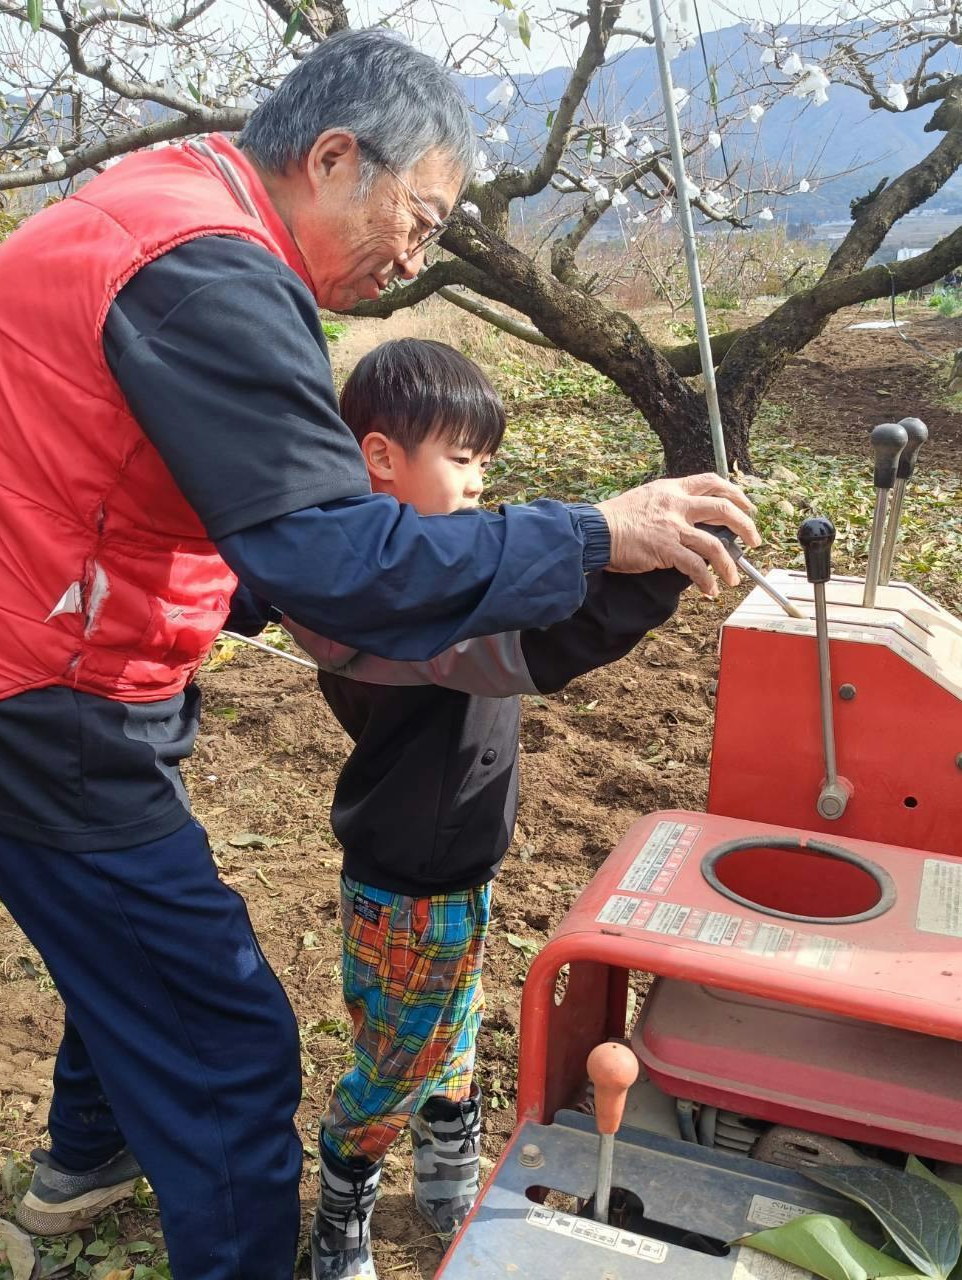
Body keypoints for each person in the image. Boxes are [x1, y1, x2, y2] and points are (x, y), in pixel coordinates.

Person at [0, 28, 758, 1280]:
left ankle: (85, 1159)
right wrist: (591, 534)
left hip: (11, 663)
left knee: (122, 946)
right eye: (421, 216)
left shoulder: (164, 204)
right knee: (224, 1041)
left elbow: (217, 515)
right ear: (336, 158)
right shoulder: (209, 274)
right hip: (42, 703)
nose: (418, 253)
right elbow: (338, 560)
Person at [280, 339, 696, 1280]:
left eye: (485, 463)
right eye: (462, 460)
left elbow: (514, 569)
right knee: (395, 1060)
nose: (479, 484)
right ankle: (343, 1197)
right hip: (407, 884)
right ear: (381, 457)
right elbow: (549, 638)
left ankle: (447, 1169)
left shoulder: (414, 570)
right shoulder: (395, 610)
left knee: (453, 1026)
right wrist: (662, 565)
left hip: (456, 865)